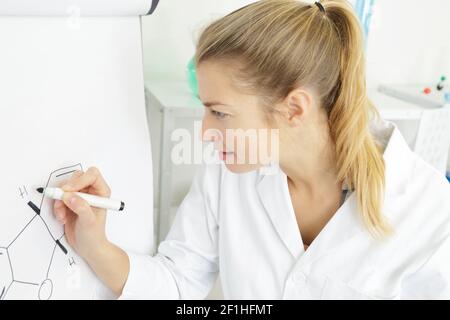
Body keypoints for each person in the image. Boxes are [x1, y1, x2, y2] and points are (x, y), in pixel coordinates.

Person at [53, 0, 450, 299]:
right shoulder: (229, 172)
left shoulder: (430, 214)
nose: (206, 133)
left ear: (293, 108)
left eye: (220, 113)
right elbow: (177, 285)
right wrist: (95, 245)